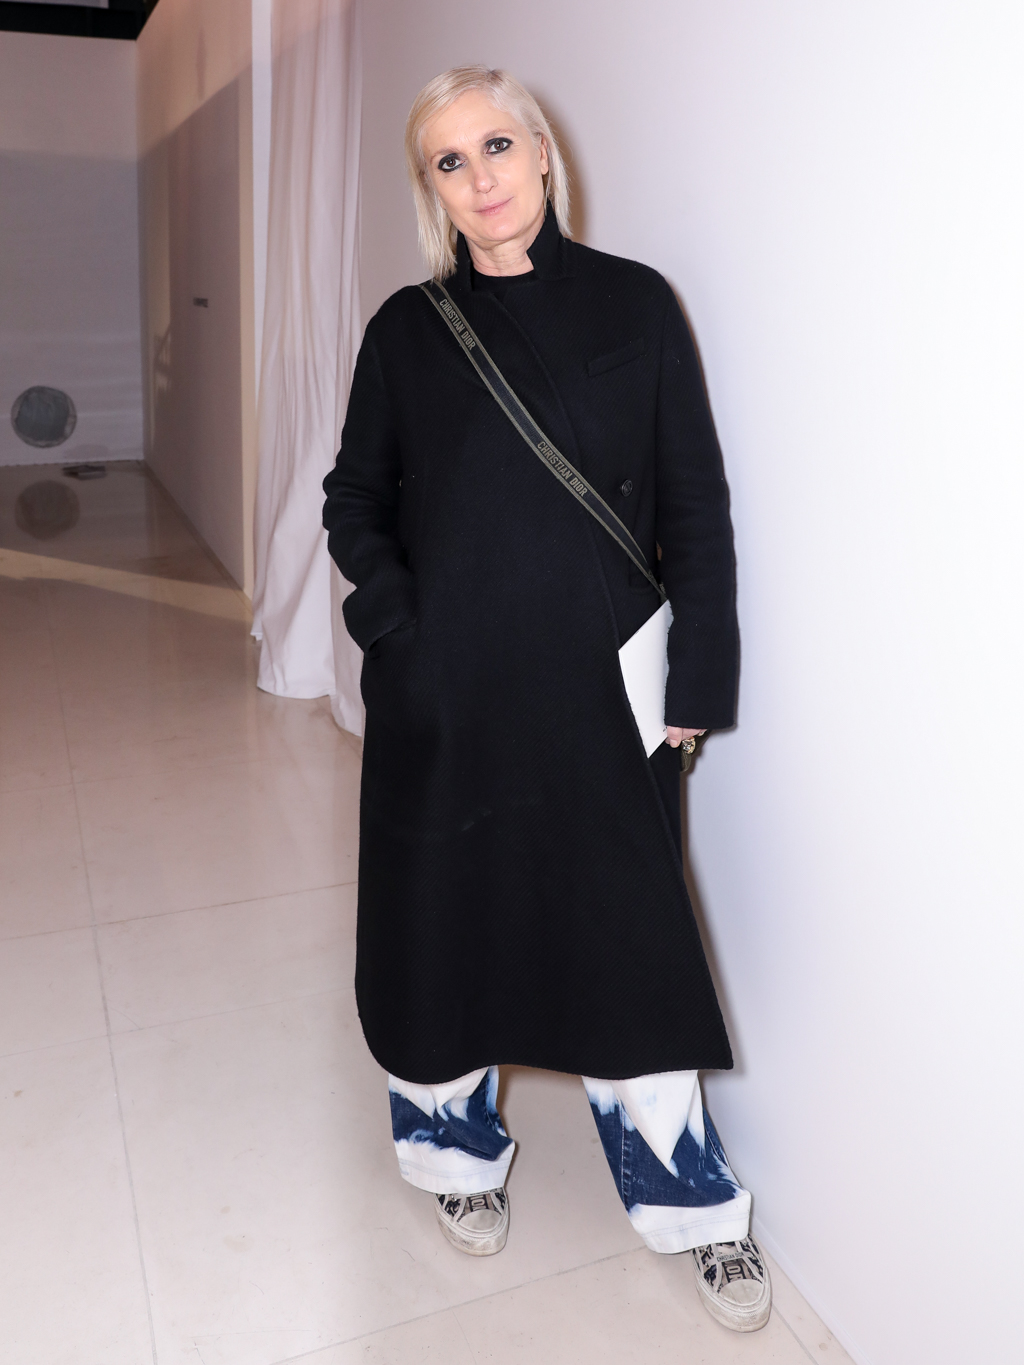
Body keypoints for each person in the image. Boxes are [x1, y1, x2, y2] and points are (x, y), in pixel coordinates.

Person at [322, 66, 771, 1333]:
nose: (480, 179)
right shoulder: (407, 331)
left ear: (541, 154)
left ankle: (691, 1204)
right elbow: (354, 499)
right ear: (432, 190)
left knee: (628, 938)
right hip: (447, 691)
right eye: (449, 162)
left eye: (496, 146)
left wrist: (699, 675)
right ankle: (453, 1156)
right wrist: (398, 630)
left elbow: (695, 506)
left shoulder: (635, 303)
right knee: (441, 924)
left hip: (604, 685)